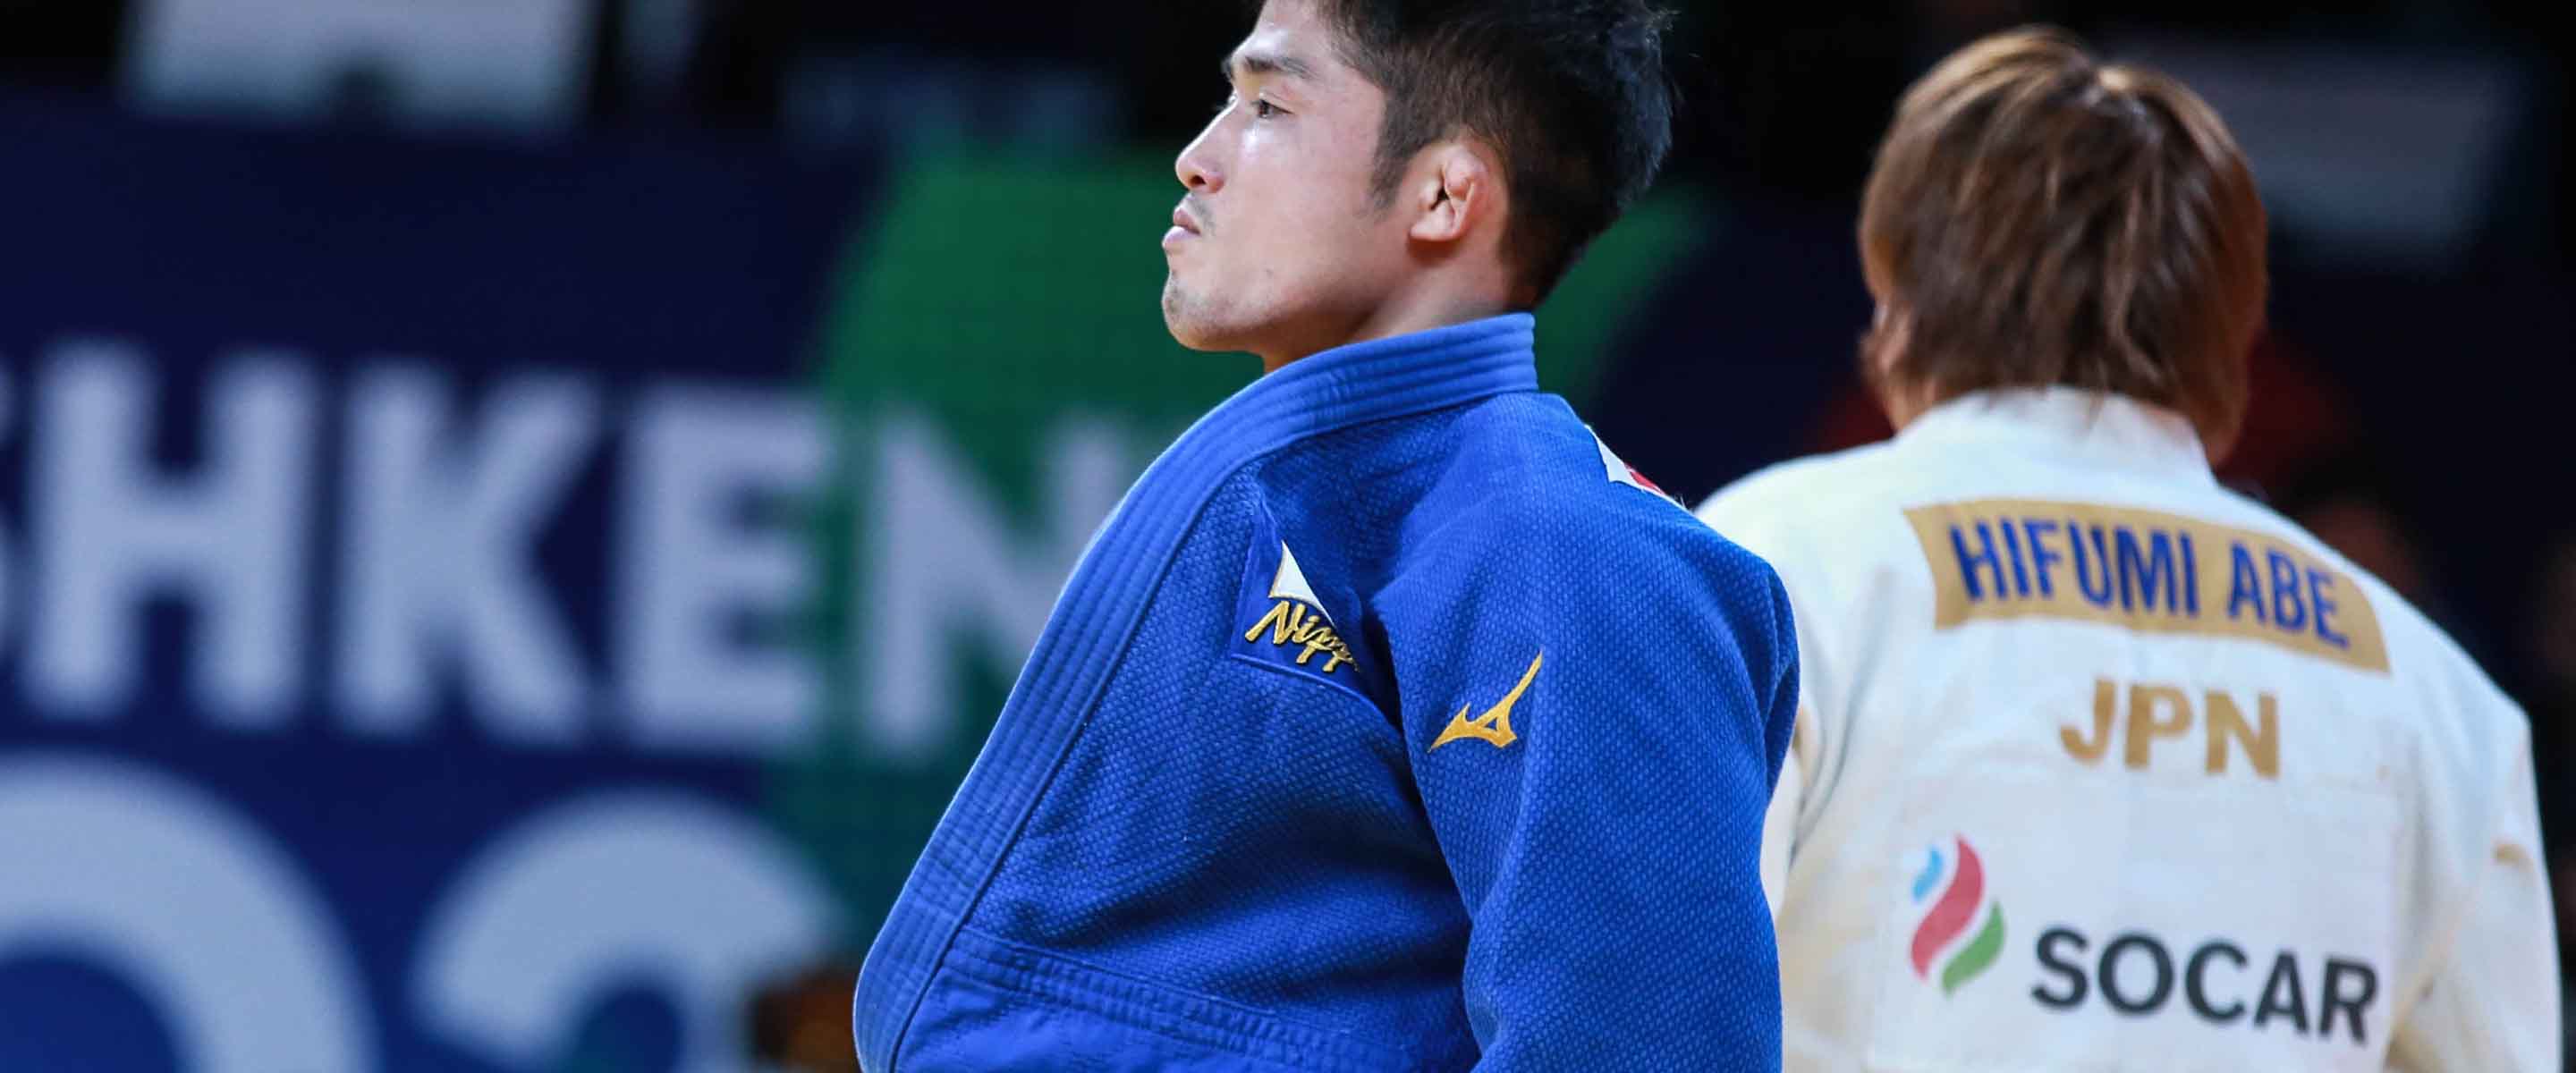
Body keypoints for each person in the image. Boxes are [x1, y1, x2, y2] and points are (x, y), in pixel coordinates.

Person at [854, 1, 1797, 1069]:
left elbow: (1641, 1047)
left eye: (1266, 104)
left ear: (1444, 194)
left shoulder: (1575, 555)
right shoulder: (1322, 495)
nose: (1197, 158)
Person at [1694, 28, 2560, 1071]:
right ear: (2233, 328)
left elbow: (1634, 995)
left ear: (1900, 300)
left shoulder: (1766, 569)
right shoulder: (2441, 704)